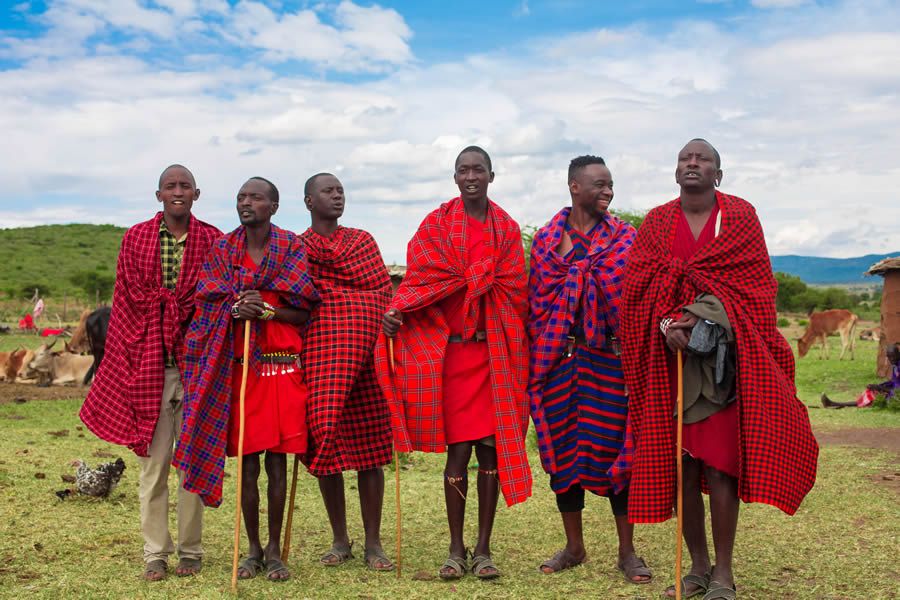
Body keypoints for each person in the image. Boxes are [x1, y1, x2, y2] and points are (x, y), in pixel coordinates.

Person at [621, 139, 819, 599]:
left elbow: (755, 288)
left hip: (724, 367)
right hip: (670, 368)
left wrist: (701, 313)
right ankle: (697, 568)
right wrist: (668, 321)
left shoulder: (741, 217)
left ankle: (724, 573)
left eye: (702, 159)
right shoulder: (655, 222)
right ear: (675, 174)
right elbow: (640, 288)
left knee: (722, 468)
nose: (692, 164)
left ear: (718, 174)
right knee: (684, 469)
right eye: (684, 160)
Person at [376, 146, 532, 580]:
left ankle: (483, 549)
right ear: (454, 176)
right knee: (457, 454)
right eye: (463, 170)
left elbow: (515, 291)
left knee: (492, 453)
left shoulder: (506, 228)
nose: (470, 176)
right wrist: (397, 313)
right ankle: (455, 548)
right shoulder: (437, 225)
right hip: (454, 356)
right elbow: (421, 281)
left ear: (491, 176)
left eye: (478, 170)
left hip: (494, 352)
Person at [173, 177, 320, 582]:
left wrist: (268, 312)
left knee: (277, 463)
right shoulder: (224, 249)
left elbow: (305, 310)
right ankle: (252, 549)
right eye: (241, 197)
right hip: (240, 371)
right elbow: (207, 302)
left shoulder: (291, 247)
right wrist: (235, 309)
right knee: (248, 465)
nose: (246, 203)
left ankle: (275, 551)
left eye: (255, 197)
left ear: (274, 205)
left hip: (281, 367)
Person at [79, 164, 221, 581]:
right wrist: (127, 361)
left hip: (196, 366)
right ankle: (156, 552)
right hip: (149, 367)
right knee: (154, 465)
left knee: (192, 461)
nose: (178, 192)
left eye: (185, 186)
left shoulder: (213, 239)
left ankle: (191, 550)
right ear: (157, 194)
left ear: (197, 194)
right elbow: (125, 303)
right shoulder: (136, 238)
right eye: (170, 186)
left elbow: (214, 301)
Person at [528, 155, 651, 583]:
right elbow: (538, 305)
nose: (608, 191)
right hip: (559, 361)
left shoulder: (624, 239)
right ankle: (574, 547)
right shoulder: (545, 242)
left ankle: (627, 551)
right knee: (564, 455)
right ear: (574, 187)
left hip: (610, 362)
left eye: (611, 184)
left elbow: (635, 300)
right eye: (599, 184)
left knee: (618, 450)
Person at [300, 173, 395, 570]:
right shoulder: (298, 248)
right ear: (309, 201)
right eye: (328, 190)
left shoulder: (362, 241)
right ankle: (340, 539)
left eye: (340, 190)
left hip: (369, 355)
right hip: (324, 357)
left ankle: (374, 543)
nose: (337, 196)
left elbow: (381, 293)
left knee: (371, 448)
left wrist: (366, 312)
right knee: (325, 438)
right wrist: (345, 305)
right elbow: (302, 297)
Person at [822, 341, 900, 408]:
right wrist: (879, 386)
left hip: (896, 396)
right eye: (889, 357)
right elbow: (894, 382)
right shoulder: (895, 364)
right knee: (870, 393)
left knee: (875, 398)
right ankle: (834, 403)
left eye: (893, 356)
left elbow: (898, 390)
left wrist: (880, 388)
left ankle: (834, 404)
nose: (891, 359)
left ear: (898, 354)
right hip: (893, 392)